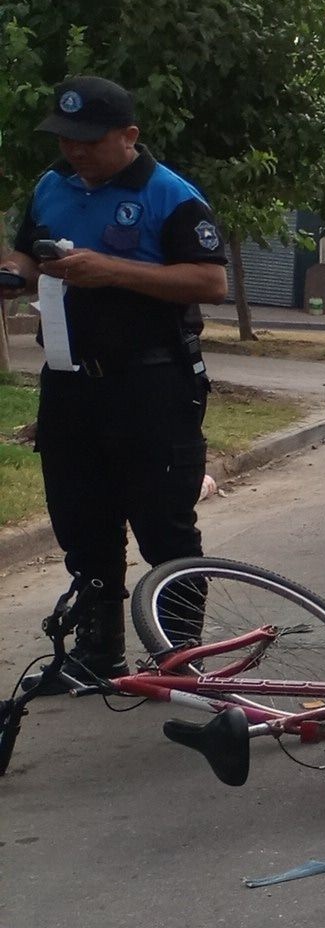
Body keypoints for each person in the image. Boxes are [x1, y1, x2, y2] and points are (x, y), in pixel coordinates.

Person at [0, 77, 227, 690]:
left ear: (129, 136)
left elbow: (209, 283)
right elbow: (25, 255)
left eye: (89, 141)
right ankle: (98, 654)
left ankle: (180, 659)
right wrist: (12, 272)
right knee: (82, 520)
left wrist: (112, 272)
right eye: (66, 139)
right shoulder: (53, 185)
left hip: (150, 385)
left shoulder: (170, 195)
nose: (75, 152)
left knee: (163, 524)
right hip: (70, 383)